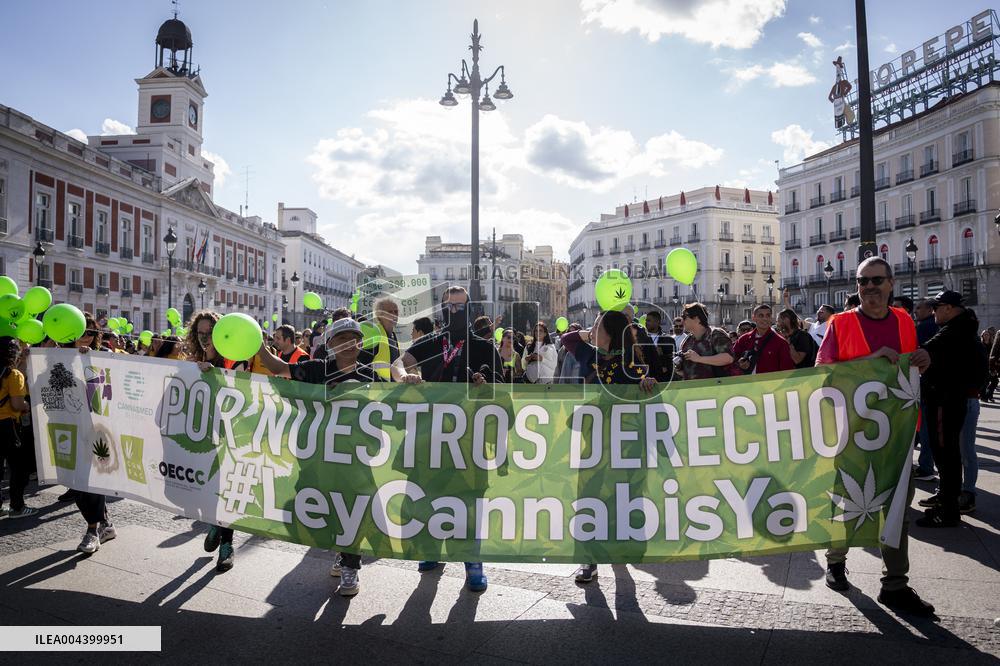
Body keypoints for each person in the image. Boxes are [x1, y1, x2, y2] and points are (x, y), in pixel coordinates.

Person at [816, 257, 934, 616]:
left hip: (897, 439)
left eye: (876, 280)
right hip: (852, 435)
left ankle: (895, 585)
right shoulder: (841, 324)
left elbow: (908, 370)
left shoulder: (904, 321)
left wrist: (923, 359)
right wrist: (868, 361)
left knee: (898, 511)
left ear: (891, 283)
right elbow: (821, 373)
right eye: (862, 281)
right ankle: (836, 561)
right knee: (849, 505)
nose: (869, 287)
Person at [255, 317, 380, 596]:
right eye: (342, 338)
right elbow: (278, 368)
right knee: (324, 508)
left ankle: (350, 566)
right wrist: (258, 345)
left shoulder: (371, 377)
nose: (350, 343)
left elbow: (403, 403)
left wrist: (412, 382)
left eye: (354, 338)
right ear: (330, 344)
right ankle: (341, 550)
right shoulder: (315, 369)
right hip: (317, 459)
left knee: (355, 509)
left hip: (356, 461)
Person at [390, 285, 501, 591]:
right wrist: (405, 376)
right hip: (430, 437)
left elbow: (502, 390)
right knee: (426, 495)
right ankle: (430, 550)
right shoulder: (431, 341)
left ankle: (472, 562)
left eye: (460, 307)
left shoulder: (483, 347)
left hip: (469, 441)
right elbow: (397, 364)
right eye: (449, 307)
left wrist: (485, 385)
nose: (454, 312)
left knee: (469, 500)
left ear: (470, 309)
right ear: (441, 310)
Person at [557, 310, 658, 582]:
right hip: (596, 447)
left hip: (626, 449)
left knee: (625, 499)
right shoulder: (592, 357)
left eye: (598, 325)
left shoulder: (633, 366)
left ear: (611, 333)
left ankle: (621, 552)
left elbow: (653, 401)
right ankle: (588, 561)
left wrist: (648, 384)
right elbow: (567, 340)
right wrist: (588, 334)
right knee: (589, 498)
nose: (593, 329)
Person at [916, 292, 985, 527]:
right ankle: (947, 500)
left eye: (937, 307)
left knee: (947, 454)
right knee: (947, 453)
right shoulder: (962, 327)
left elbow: (926, 350)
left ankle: (948, 510)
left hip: (946, 399)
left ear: (949, 308)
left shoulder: (956, 330)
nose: (934, 311)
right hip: (949, 398)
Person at [69, 316, 119, 553]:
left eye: (91, 332)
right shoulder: (57, 358)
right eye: (82, 331)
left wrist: (88, 361)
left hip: (97, 429)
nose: (86, 336)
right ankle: (106, 524)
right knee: (75, 482)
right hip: (67, 429)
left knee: (92, 480)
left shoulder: (101, 358)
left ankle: (92, 531)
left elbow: (108, 393)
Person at [0, 337, 37, 518]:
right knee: (19, 468)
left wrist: (23, 360)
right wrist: (25, 406)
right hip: (8, 426)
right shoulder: (13, 375)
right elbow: (16, 404)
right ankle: (17, 507)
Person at [732, 304, 794, 375]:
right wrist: (739, 364)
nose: (765, 319)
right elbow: (732, 360)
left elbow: (787, 371)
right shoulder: (743, 339)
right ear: (754, 318)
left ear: (771, 318)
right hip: (747, 384)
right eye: (761, 316)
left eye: (768, 315)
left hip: (770, 384)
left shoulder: (781, 342)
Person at [678, 303, 734, 380]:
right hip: (692, 389)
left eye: (684, 317)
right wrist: (679, 367)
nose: (682, 321)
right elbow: (686, 371)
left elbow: (728, 358)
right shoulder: (687, 340)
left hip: (714, 387)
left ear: (696, 318)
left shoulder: (715, 334)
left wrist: (699, 359)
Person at [643, 311, 676, 383]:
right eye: (646, 320)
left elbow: (672, 360)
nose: (646, 323)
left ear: (657, 322)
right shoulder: (641, 338)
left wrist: (661, 355)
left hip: (662, 378)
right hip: (645, 376)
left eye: (648, 320)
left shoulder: (668, 339)